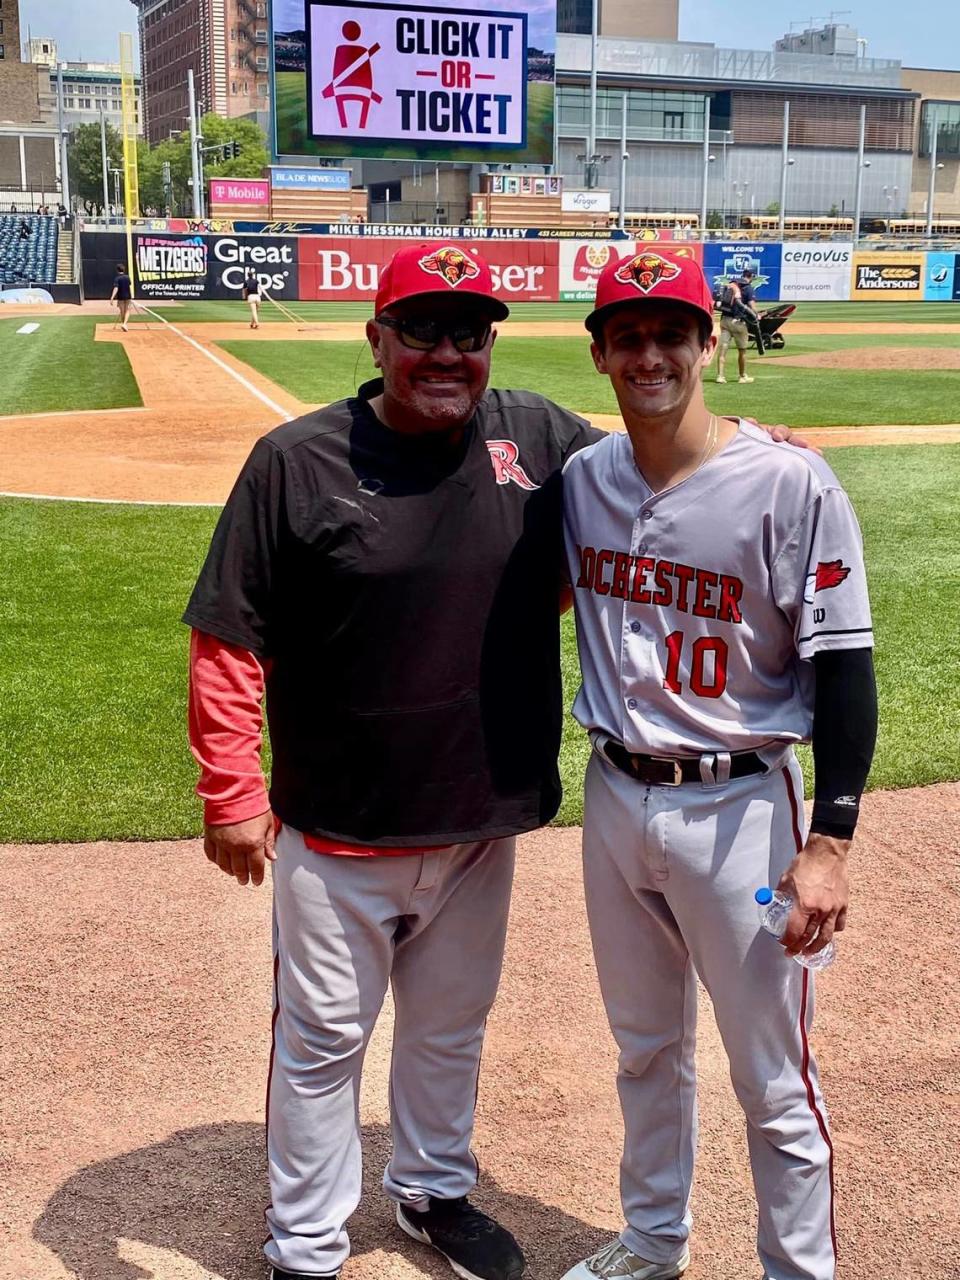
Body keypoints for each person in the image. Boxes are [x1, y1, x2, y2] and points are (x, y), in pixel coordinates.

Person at [184, 242, 810, 1280]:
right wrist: (231, 790)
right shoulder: (296, 462)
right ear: (375, 336)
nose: (447, 352)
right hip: (340, 827)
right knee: (322, 1043)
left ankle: (432, 1187)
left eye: (468, 332)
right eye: (421, 329)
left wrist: (756, 449)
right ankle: (304, 1246)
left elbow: (655, 471)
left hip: (479, 819)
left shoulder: (536, 434)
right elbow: (229, 636)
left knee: (449, 1027)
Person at [558, 249, 877, 1280]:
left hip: (742, 807)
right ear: (601, 352)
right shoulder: (582, 480)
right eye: (629, 335)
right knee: (645, 1049)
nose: (650, 353)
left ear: (706, 342)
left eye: (671, 333)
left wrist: (828, 840)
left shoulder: (790, 484)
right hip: (613, 798)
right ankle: (654, 1238)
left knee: (772, 1074)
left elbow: (845, 666)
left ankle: (798, 1268)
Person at [715, 267, 758, 384]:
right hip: (738, 322)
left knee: (723, 349)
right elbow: (752, 306)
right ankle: (742, 376)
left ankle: (720, 376)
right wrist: (757, 315)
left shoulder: (731, 284)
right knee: (742, 351)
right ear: (751, 276)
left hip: (724, 320)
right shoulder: (748, 288)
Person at [109, 262, 133, 331]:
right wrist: (132, 295)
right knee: (127, 311)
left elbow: (116, 288)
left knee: (122, 311)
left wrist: (112, 298)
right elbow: (129, 286)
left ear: (117, 270)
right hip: (128, 296)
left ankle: (124, 324)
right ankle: (124, 324)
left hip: (120, 297)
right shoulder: (127, 277)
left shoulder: (117, 279)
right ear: (123, 270)